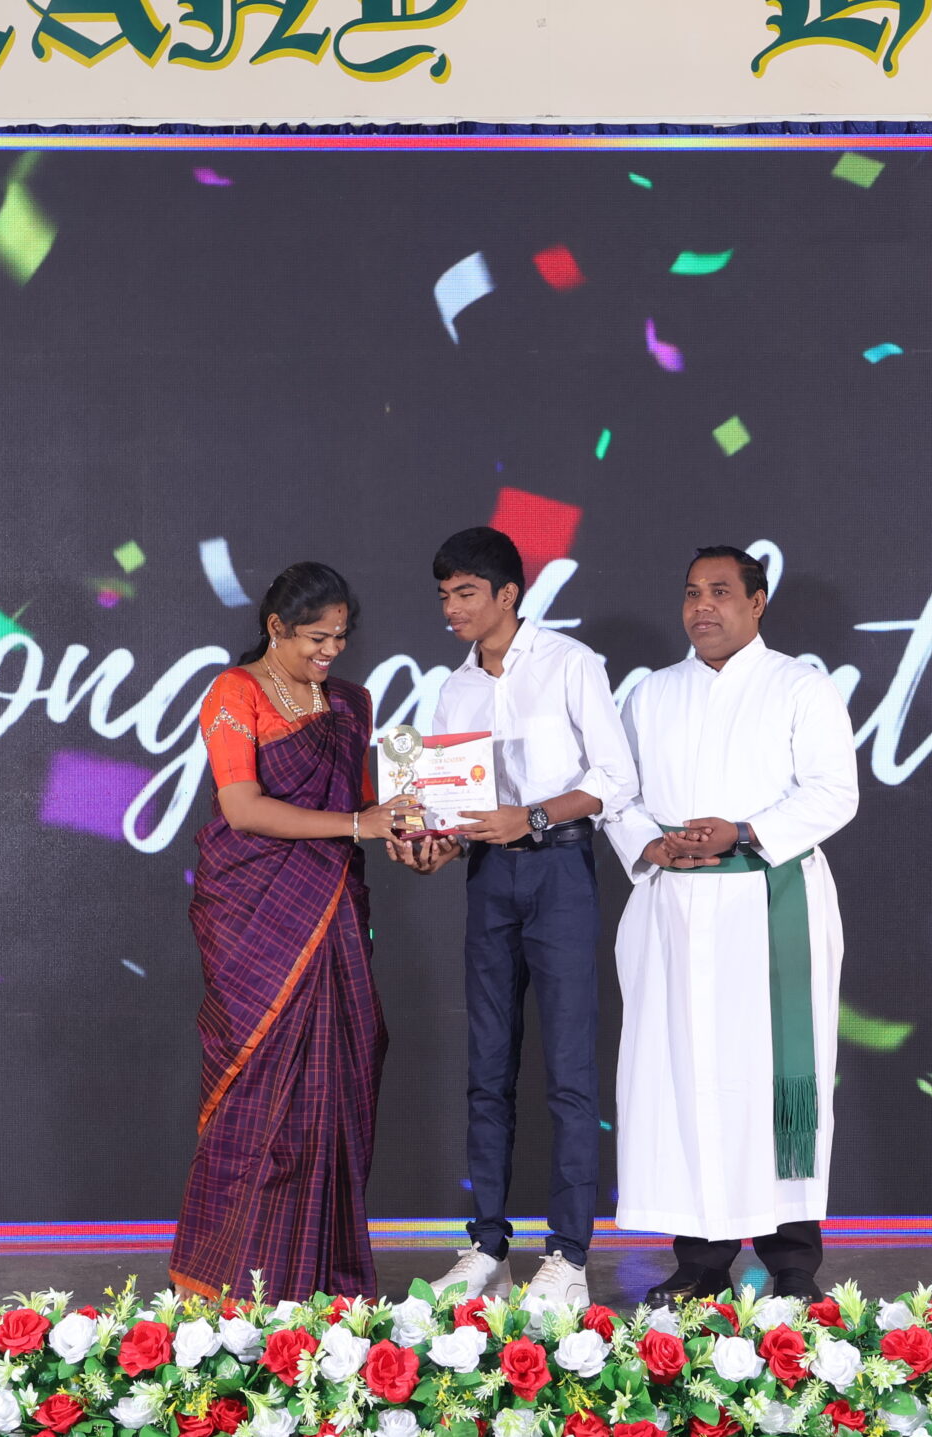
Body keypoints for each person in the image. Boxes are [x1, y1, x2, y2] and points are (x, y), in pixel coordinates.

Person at [388, 527, 639, 1309]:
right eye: (443, 595)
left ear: (507, 594)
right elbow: (445, 805)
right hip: (489, 875)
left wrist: (529, 816)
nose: (451, 608)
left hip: (560, 868)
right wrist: (429, 844)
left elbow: (616, 777)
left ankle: (569, 1255)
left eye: (465, 592)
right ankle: (488, 1247)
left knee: (569, 1071)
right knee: (487, 1068)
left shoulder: (569, 662)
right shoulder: (453, 688)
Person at [607, 546, 860, 1303]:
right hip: (675, 908)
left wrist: (744, 831)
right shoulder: (651, 694)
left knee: (776, 1078)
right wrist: (650, 843)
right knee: (686, 1077)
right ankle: (701, 1258)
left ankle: (793, 1263)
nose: (702, 606)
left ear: (757, 603)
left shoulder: (800, 687)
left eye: (720, 591)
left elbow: (834, 792)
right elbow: (617, 794)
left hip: (768, 902)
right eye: (692, 593)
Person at [172, 561, 421, 1302]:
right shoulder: (234, 692)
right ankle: (227, 1283)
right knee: (257, 1100)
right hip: (256, 916)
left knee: (336, 1088)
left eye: (341, 637)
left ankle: (319, 1281)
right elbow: (242, 808)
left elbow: (366, 808)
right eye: (316, 637)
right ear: (276, 627)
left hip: (335, 912)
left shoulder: (352, 702)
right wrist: (358, 825)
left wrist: (412, 835)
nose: (331, 651)